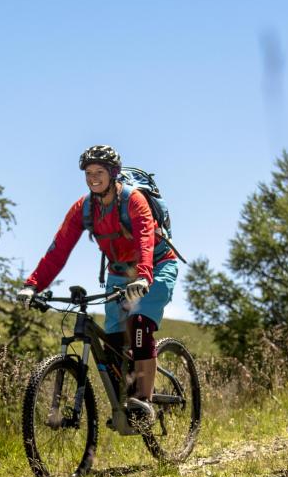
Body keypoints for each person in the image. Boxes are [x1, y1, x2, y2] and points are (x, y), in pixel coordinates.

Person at [17, 145, 178, 418]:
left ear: (113, 173)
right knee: (113, 342)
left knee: (139, 325)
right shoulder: (84, 208)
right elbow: (58, 250)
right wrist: (33, 285)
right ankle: (127, 407)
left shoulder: (134, 200)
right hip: (119, 274)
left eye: (99, 172)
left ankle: (144, 403)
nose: (93, 178)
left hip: (157, 265)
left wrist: (143, 276)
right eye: (88, 173)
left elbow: (145, 240)